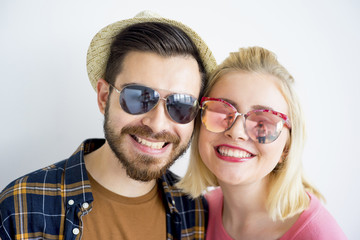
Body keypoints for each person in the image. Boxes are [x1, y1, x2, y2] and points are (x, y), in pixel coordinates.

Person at [0, 11, 217, 240]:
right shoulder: (19, 208)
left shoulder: (197, 213)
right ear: (104, 97)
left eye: (181, 105)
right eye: (138, 97)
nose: (157, 124)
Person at [178, 46, 347, 239]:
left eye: (263, 122)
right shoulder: (198, 213)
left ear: (286, 147)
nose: (236, 132)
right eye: (222, 112)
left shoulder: (319, 234)